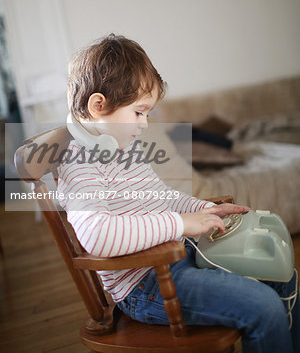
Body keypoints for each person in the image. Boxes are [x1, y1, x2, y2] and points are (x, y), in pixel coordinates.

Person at [57, 34, 299, 353]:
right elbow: (99, 235)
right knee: (264, 307)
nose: (144, 124)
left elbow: (164, 196)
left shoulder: (123, 149)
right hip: (146, 285)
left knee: (283, 274)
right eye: (139, 112)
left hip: (178, 256)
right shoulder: (79, 165)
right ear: (98, 105)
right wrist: (180, 225)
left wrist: (205, 209)